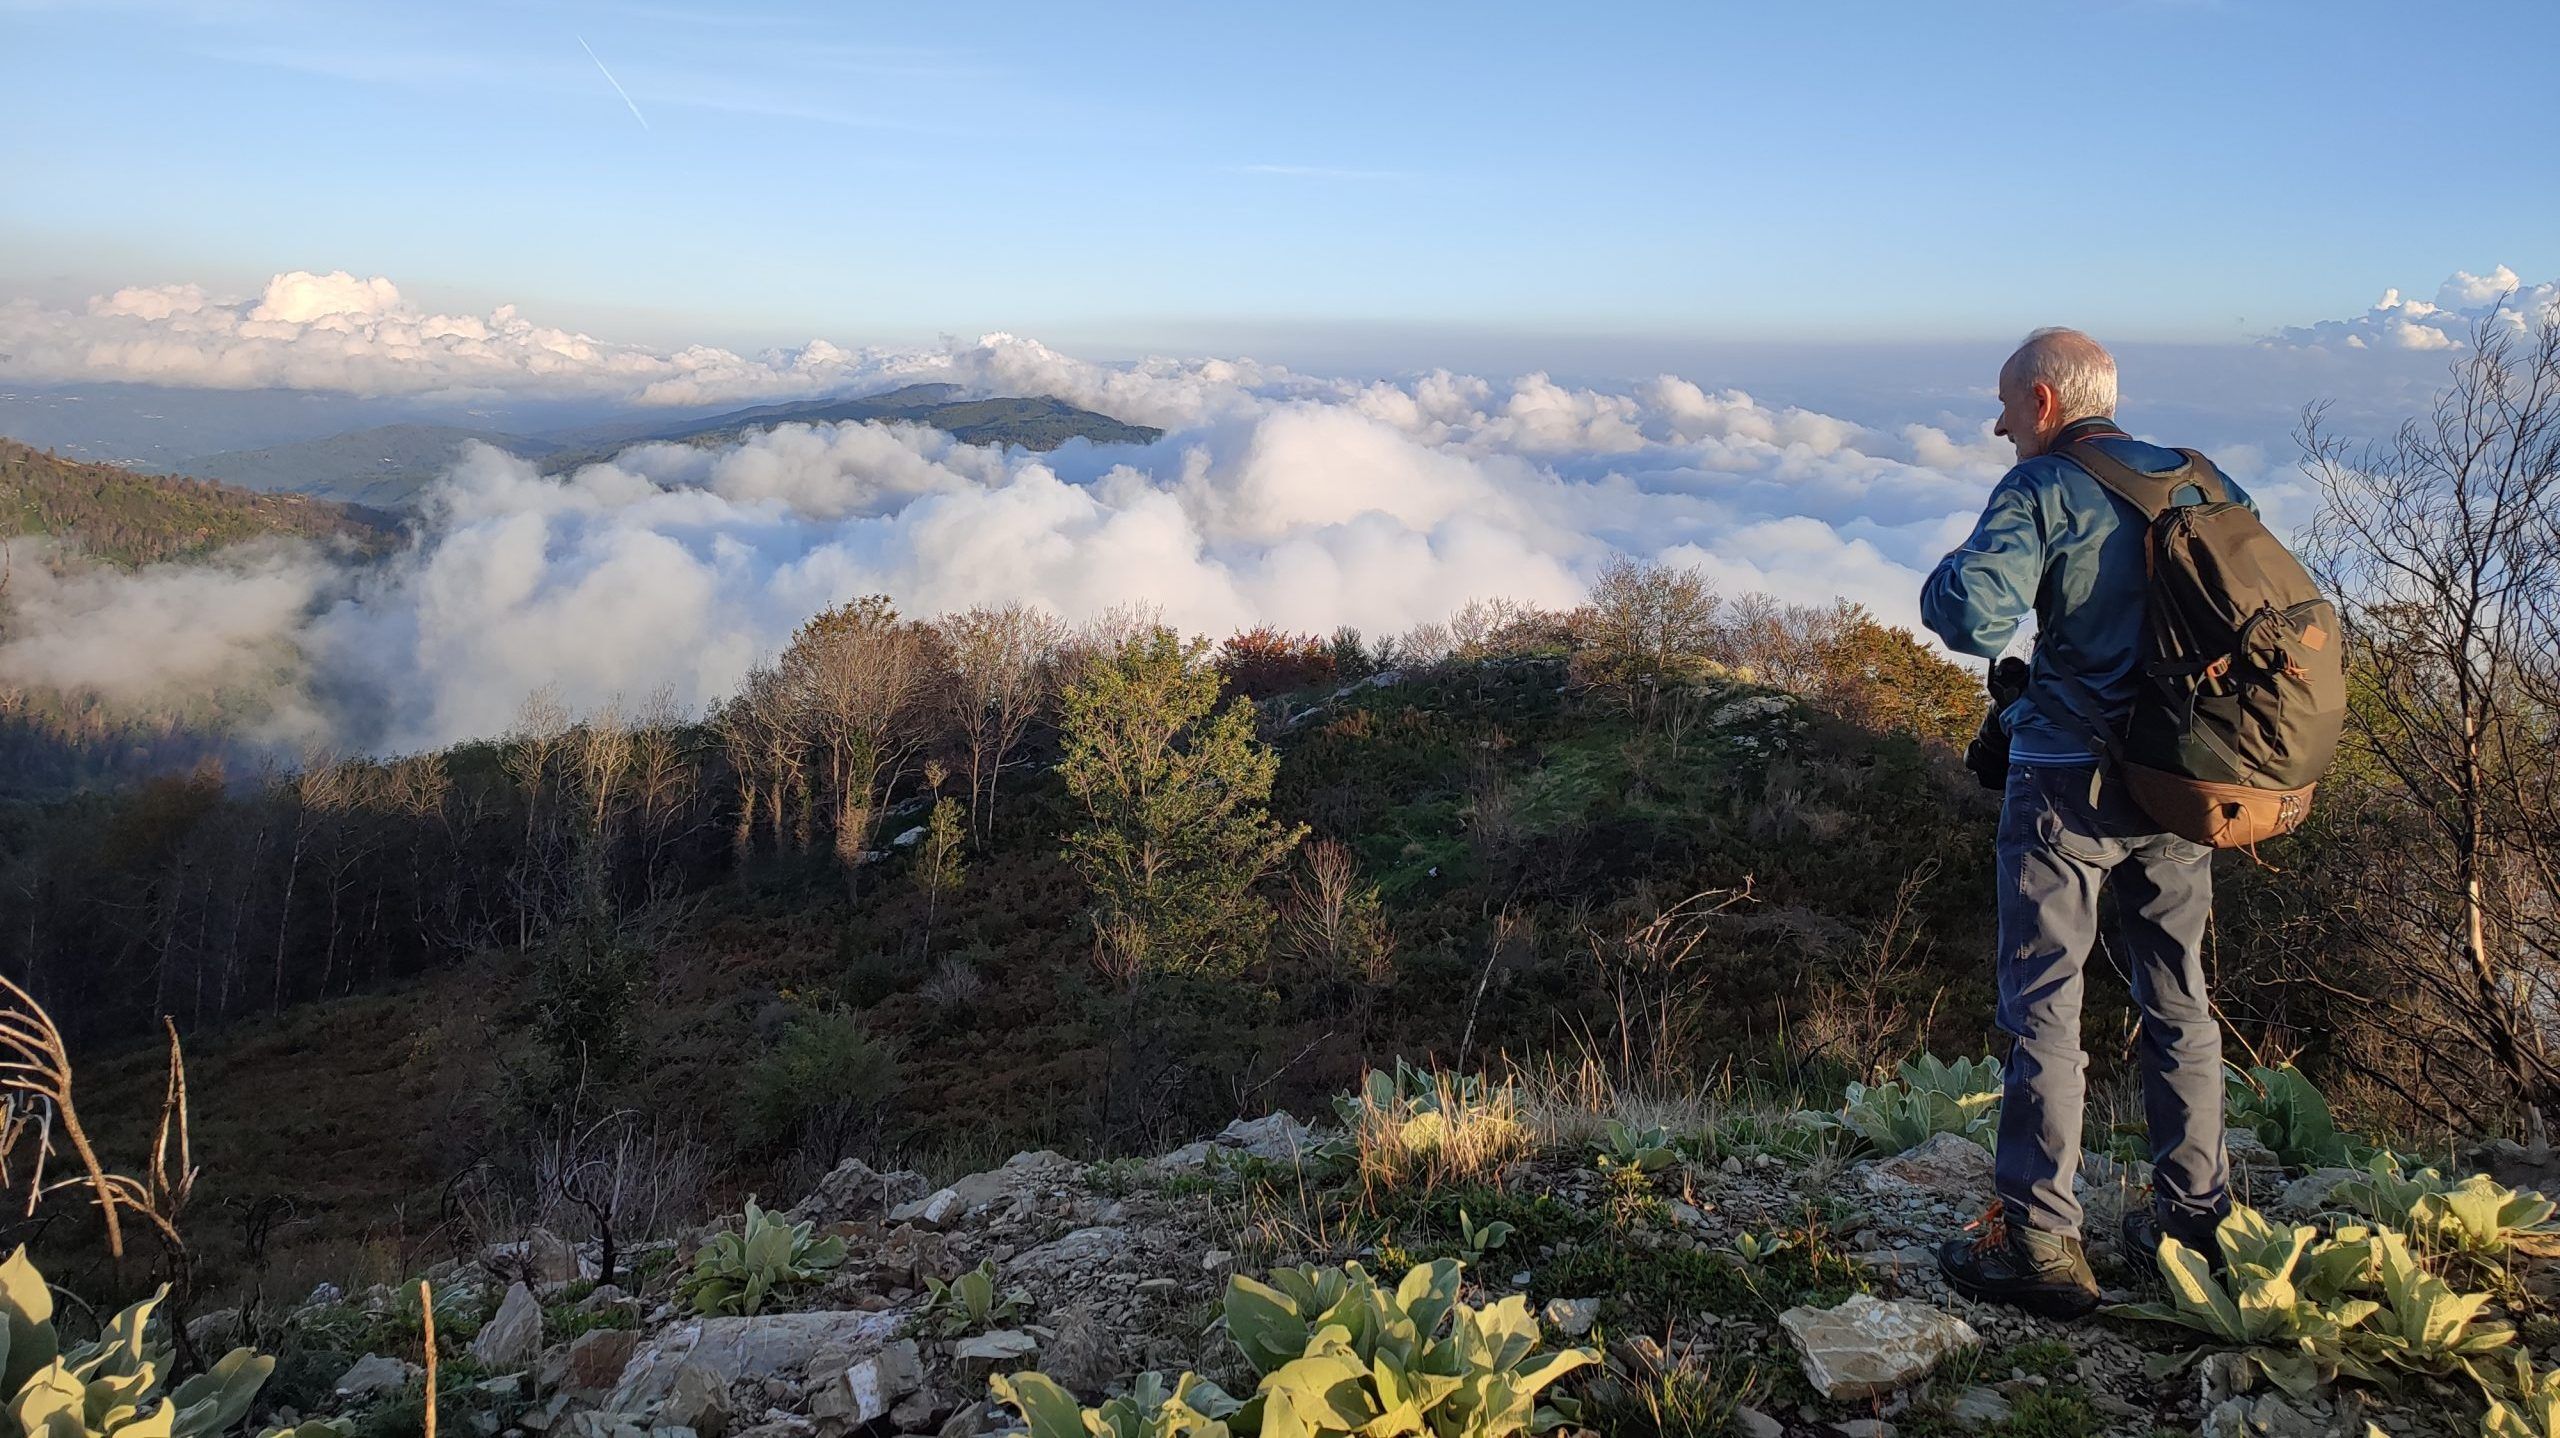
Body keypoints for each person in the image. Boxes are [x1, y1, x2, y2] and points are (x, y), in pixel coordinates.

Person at [1917, 328, 2252, 1318]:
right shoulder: (2199, 479)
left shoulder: (2039, 488)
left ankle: (2039, 1239)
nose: (1999, 423)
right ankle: (2194, 1223)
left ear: (2046, 403)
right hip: (2182, 777)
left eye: (2007, 406)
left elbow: (1973, 617)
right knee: (2177, 997)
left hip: (2068, 781)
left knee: (2045, 1007)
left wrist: (1945, 573)